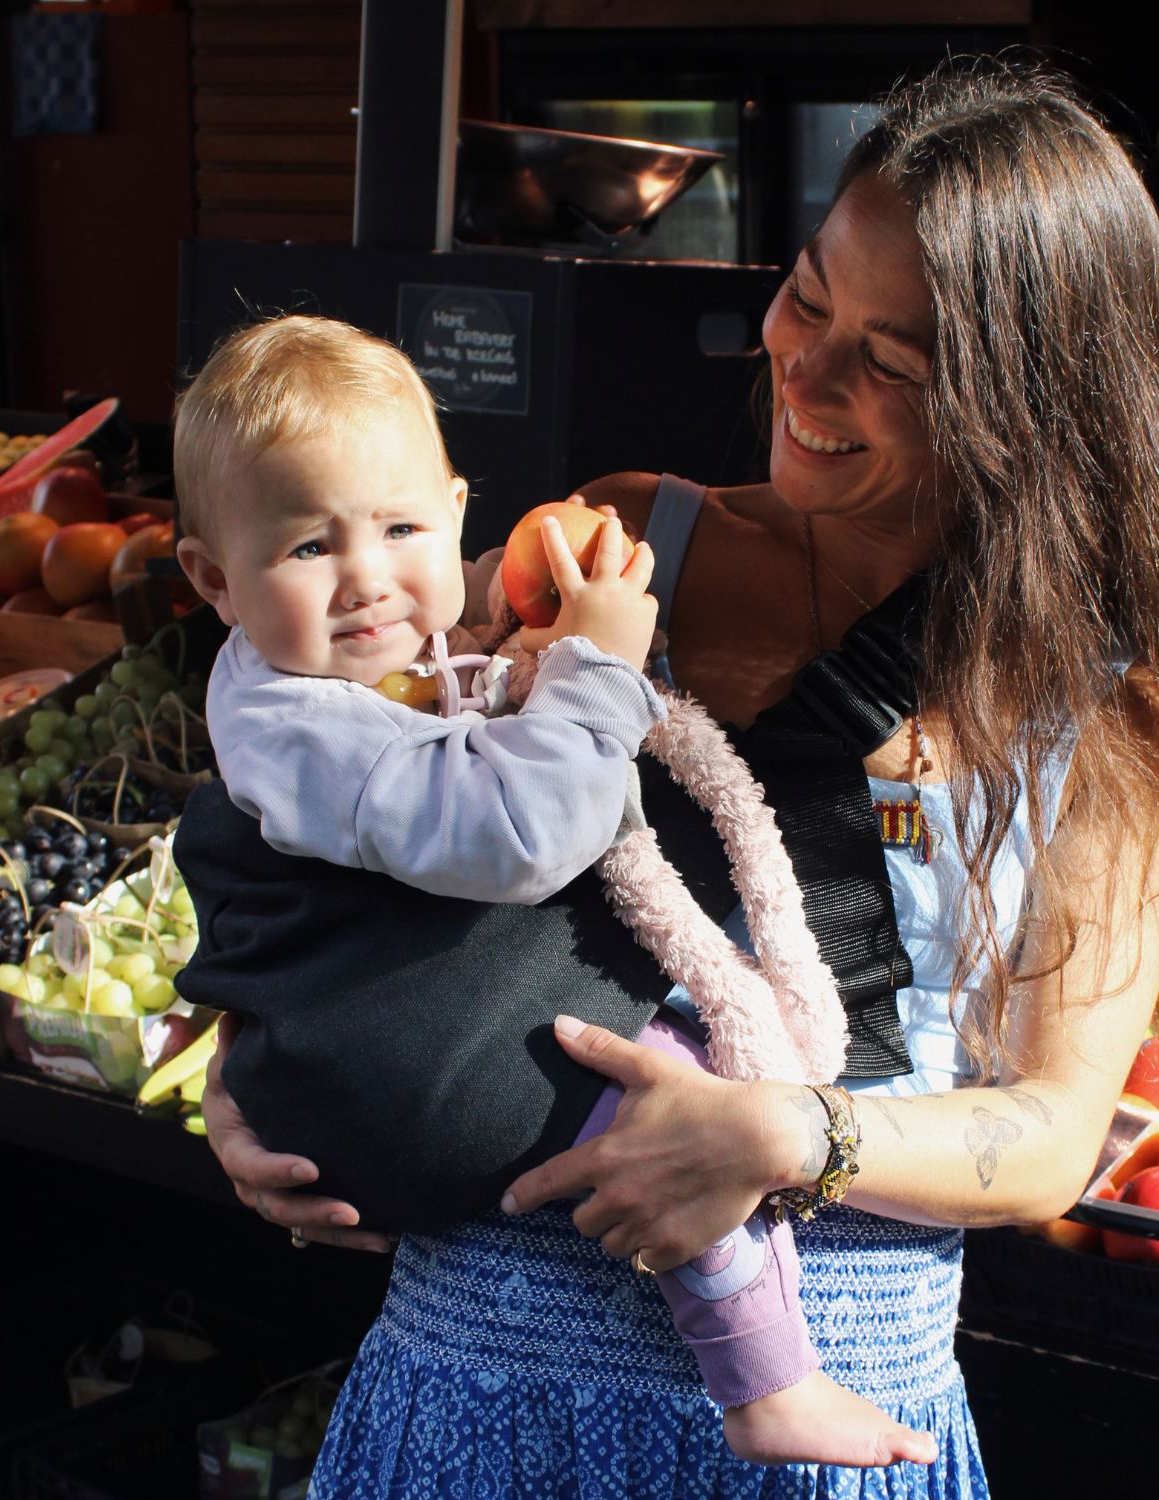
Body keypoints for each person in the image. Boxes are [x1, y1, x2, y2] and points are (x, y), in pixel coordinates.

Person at [201, 55, 1159, 1497]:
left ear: (1029, 406)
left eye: (892, 363)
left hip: (822, 1408)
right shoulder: (605, 548)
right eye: (808, 293)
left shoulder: (1099, 712)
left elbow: (1050, 1131)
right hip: (470, 1382)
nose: (808, 367)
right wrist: (266, 1059)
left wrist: (790, 1132)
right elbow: (347, 784)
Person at [170, 315, 935, 1471]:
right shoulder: (306, 724)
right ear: (213, 579)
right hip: (439, 1115)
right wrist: (598, 672)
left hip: (417, 1094)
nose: (369, 579)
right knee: (674, 1103)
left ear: (461, 513)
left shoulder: (333, 673)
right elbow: (517, 836)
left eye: (402, 529)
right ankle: (768, 1382)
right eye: (308, 549)